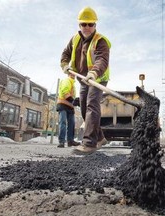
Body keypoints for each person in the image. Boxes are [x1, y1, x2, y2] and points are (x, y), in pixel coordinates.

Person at [60, 6, 111, 154]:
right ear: (79, 25)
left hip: (98, 78)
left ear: (95, 25)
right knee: (83, 108)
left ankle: (89, 143)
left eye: (91, 24)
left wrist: (94, 72)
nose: (87, 27)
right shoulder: (75, 39)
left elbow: (102, 60)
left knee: (92, 104)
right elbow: (65, 53)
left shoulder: (100, 41)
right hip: (83, 79)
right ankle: (100, 137)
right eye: (84, 24)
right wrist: (64, 64)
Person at [56, 73, 80, 148]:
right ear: (69, 74)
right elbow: (65, 92)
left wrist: (76, 102)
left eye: (74, 74)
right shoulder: (67, 80)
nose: (73, 75)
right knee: (63, 122)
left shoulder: (73, 84)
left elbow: (71, 94)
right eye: (72, 74)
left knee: (71, 124)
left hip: (70, 106)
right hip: (63, 104)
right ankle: (62, 141)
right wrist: (73, 100)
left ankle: (70, 141)